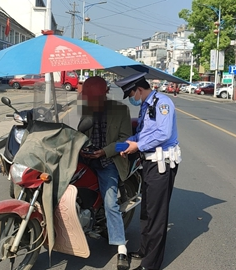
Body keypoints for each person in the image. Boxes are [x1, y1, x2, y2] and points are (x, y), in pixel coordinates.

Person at [115, 73, 181, 270]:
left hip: (162, 163)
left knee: (156, 215)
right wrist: (131, 141)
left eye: (132, 94)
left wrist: (138, 145)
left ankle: (151, 264)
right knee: (146, 211)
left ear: (139, 90)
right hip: (149, 162)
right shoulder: (146, 105)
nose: (132, 99)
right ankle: (144, 249)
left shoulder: (163, 103)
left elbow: (163, 133)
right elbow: (145, 132)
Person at [79, 76, 132, 270]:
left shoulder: (121, 110)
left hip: (107, 161)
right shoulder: (87, 109)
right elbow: (80, 134)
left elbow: (125, 141)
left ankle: (121, 248)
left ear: (104, 94)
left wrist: (104, 152)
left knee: (110, 203)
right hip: (86, 158)